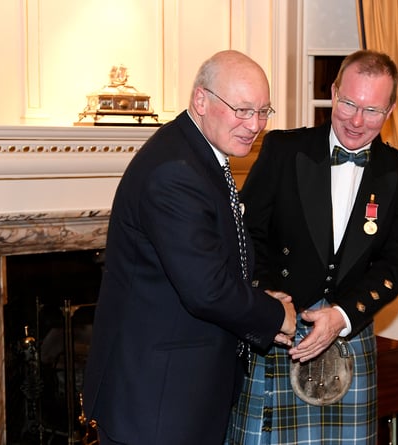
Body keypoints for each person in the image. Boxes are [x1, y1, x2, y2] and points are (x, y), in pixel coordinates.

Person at [82, 50, 297, 445]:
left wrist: (257, 300)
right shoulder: (173, 172)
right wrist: (276, 316)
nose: (255, 125)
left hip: (176, 394)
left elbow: (210, 262)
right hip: (157, 402)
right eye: (243, 110)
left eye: (264, 111)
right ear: (201, 100)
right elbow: (207, 290)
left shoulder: (197, 155)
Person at [226, 49, 398, 444]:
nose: (355, 120)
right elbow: (247, 232)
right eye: (348, 103)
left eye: (372, 110)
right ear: (333, 93)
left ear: (391, 111)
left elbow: (397, 261)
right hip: (278, 328)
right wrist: (266, 294)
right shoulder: (284, 149)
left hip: (349, 329)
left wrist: (344, 315)